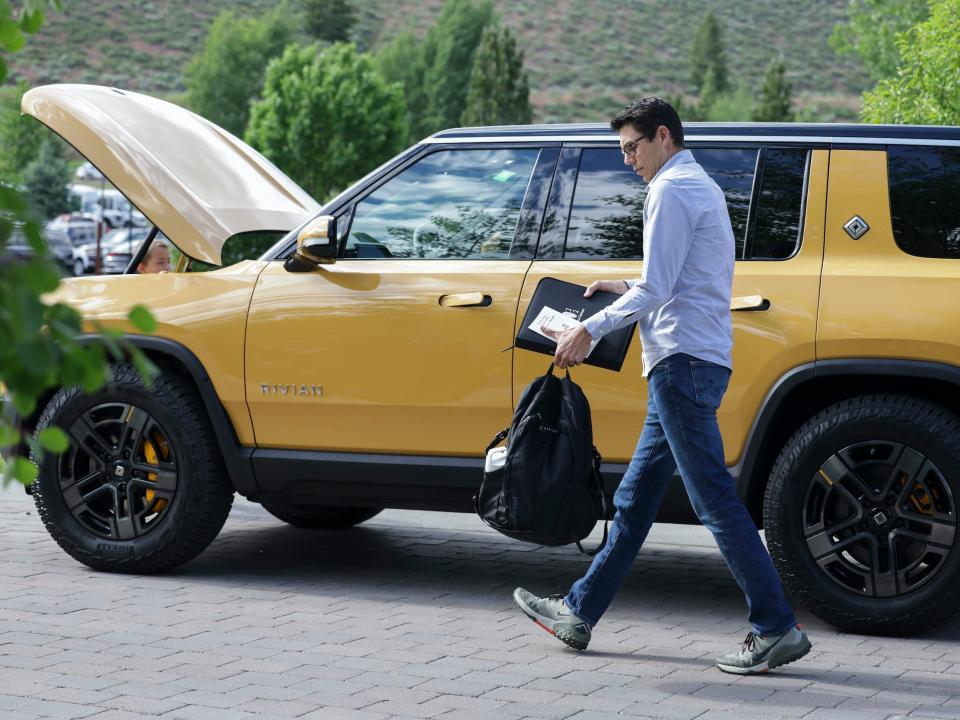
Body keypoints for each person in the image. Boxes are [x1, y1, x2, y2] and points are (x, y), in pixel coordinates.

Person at [513, 97, 811, 675]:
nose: (628, 160)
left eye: (633, 147)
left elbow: (657, 289)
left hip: (681, 362)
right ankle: (578, 611)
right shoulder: (697, 185)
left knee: (714, 500)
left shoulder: (670, 190)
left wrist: (587, 330)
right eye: (623, 148)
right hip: (692, 360)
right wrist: (620, 282)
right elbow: (677, 277)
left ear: (664, 136)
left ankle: (776, 627)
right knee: (636, 499)